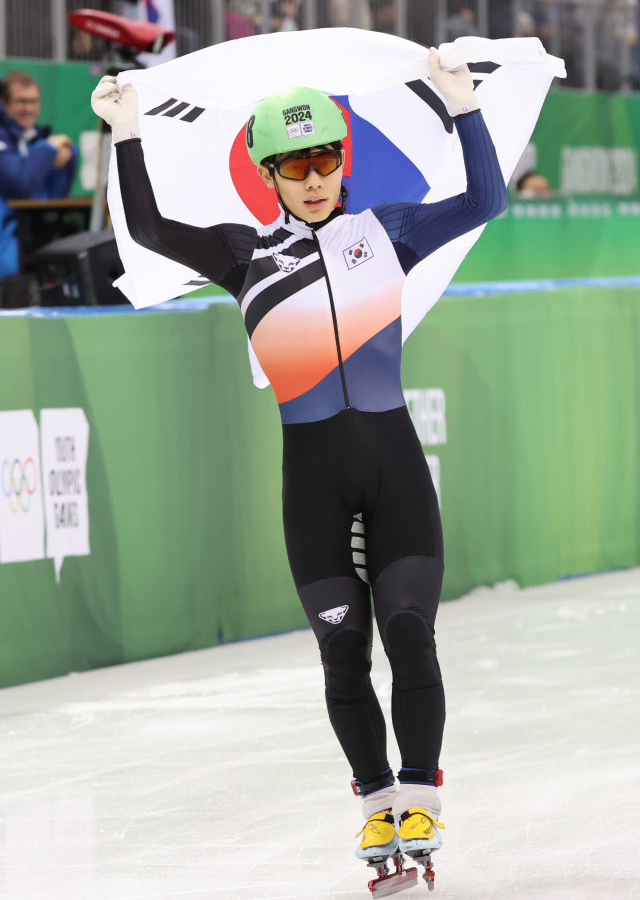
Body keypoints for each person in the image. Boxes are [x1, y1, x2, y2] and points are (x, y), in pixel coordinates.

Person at [90, 50, 507, 884]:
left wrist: (465, 112)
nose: (314, 179)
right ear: (269, 174)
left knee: (410, 634)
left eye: (325, 160)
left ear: (341, 163)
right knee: (342, 655)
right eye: (294, 165)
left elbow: (486, 201)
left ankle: (420, 795)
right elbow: (150, 230)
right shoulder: (243, 256)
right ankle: (375, 805)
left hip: (392, 467)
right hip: (312, 479)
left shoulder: (389, 231)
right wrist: (127, 135)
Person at [0, 71, 77, 279]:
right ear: (3, 103)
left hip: (35, 235)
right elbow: (20, 188)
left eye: (34, 101)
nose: (29, 108)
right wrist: (47, 149)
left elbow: (57, 195)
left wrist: (65, 157)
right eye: (22, 101)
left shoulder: (35, 139)